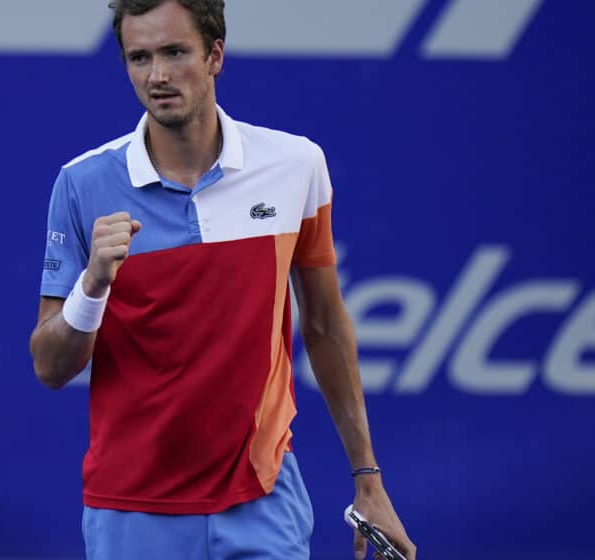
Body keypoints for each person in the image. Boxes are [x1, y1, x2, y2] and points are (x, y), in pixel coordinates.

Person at [29, 0, 416, 558]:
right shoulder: (81, 184)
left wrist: (368, 480)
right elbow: (50, 366)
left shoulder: (295, 166)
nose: (157, 76)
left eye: (174, 53)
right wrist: (92, 287)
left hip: (264, 500)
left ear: (215, 56)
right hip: (131, 511)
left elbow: (326, 326)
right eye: (139, 58)